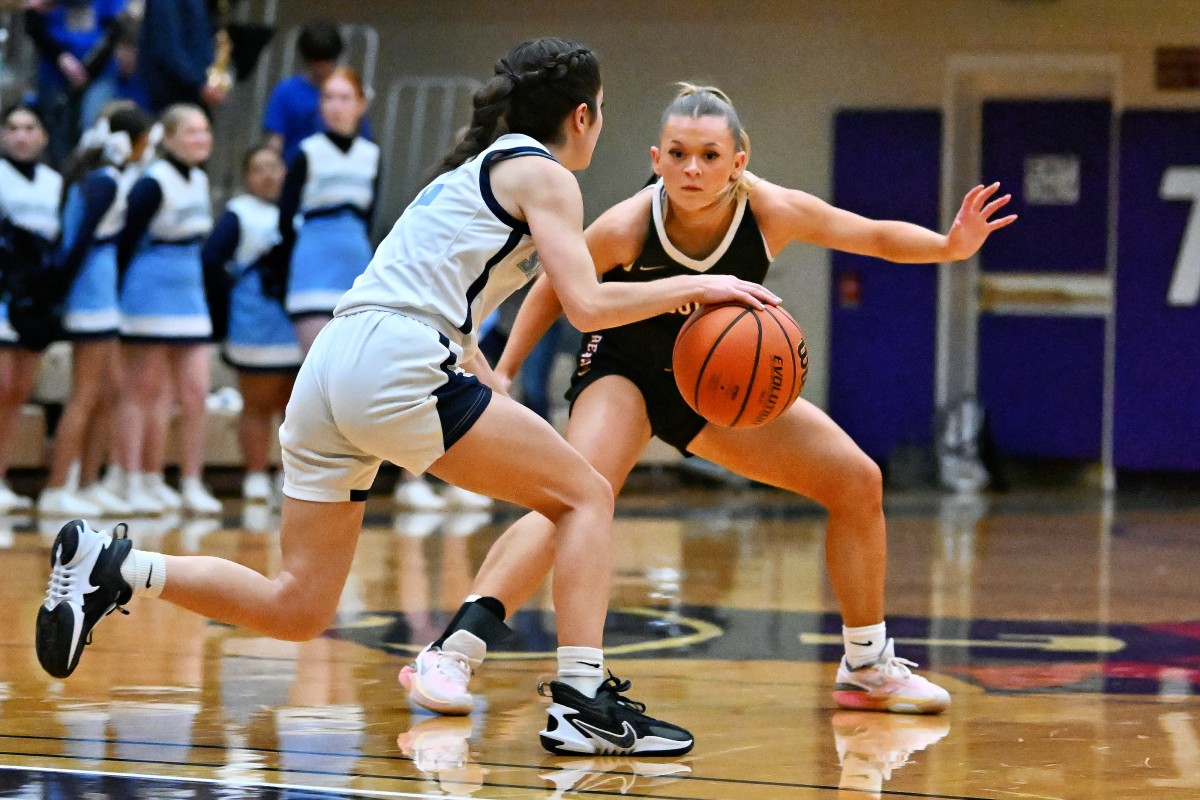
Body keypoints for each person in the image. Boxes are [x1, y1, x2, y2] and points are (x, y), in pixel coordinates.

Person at [35, 37, 777, 757]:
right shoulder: (546, 173)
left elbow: (437, 296)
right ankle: (584, 703)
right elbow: (583, 303)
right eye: (602, 110)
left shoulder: (467, 172)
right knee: (584, 495)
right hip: (391, 360)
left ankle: (118, 566)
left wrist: (484, 366)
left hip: (335, 362)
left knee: (298, 605)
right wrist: (703, 284)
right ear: (582, 115)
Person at [403, 84, 1017, 717]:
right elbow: (554, 290)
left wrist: (949, 246)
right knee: (577, 497)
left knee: (857, 480)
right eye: (678, 153)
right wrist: (505, 369)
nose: (692, 168)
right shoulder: (628, 224)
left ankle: (866, 665)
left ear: (738, 161)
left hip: (711, 385)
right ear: (657, 157)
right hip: (624, 369)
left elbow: (872, 236)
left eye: (708, 154)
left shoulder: (770, 211)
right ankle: (453, 651)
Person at [37, 104, 153, 518]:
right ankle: (56, 487)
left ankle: (88, 481)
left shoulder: (108, 177)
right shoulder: (104, 180)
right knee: (85, 393)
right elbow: (81, 240)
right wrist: (61, 288)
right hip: (90, 291)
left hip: (103, 290)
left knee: (110, 390)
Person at [113, 103, 221, 514]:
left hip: (190, 292)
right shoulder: (152, 181)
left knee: (195, 393)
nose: (201, 139)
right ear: (170, 137)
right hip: (149, 290)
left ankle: (189, 480)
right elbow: (126, 239)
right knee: (144, 392)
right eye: (191, 132)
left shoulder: (199, 178)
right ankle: (136, 477)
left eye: (205, 130)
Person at [200, 145, 299, 504]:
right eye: (259, 169)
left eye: (275, 166)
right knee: (257, 403)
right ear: (247, 178)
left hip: (297, 321)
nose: (269, 175)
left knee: (298, 408)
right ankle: (255, 476)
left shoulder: (301, 212)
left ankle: (290, 477)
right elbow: (211, 260)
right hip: (255, 320)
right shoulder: (239, 213)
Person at [276, 66, 377, 354]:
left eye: (345, 98)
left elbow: (370, 216)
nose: (336, 106)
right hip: (313, 264)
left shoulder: (372, 154)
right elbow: (285, 219)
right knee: (315, 366)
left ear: (361, 104)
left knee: (355, 370)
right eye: (329, 98)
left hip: (355, 263)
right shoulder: (306, 152)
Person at [0, 103, 61, 512]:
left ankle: (1, 475)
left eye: (30, 127)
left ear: (42, 136)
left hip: (35, 297)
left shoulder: (55, 182)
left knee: (19, 392)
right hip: (3, 290)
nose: (22, 135)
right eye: (14, 128)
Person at [22, 0, 126, 165]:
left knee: (93, 128)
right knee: (57, 135)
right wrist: (60, 57)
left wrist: (89, 69)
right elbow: (32, 23)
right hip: (54, 71)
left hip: (98, 71)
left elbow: (115, 27)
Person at [262, 20, 350, 164]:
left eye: (326, 63)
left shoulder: (346, 92)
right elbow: (275, 140)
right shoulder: (286, 91)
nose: (322, 69)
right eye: (317, 63)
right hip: (295, 172)